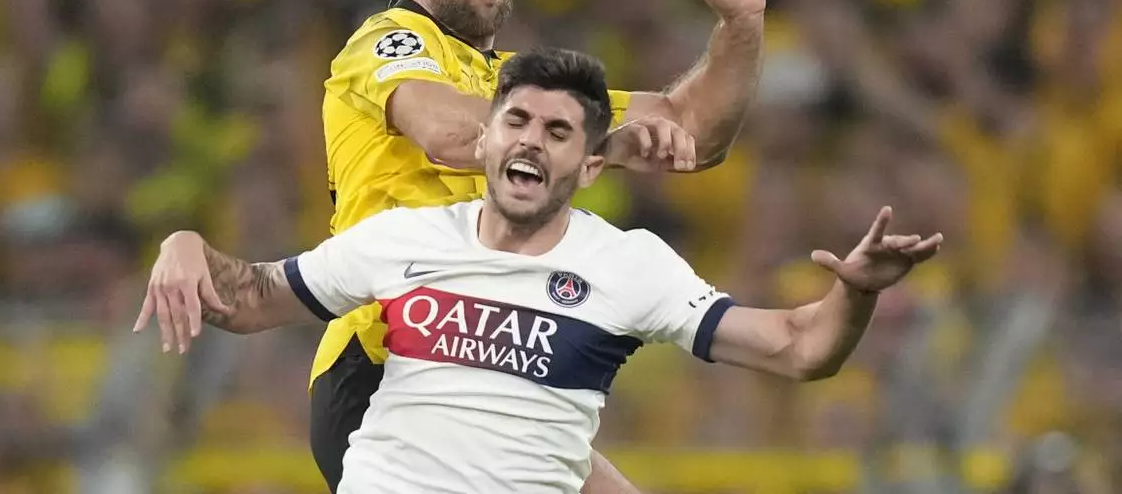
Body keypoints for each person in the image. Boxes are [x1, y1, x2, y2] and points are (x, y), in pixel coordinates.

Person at [148, 0, 768, 493]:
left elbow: (693, 132)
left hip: (495, 361)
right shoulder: (388, 42)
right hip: (390, 362)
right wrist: (594, 140)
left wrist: (740, 24)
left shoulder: (521, 89)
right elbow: (446, 133)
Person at [136, 47, 943, 494]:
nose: (530, 139)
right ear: (484, 140)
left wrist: (855, 293)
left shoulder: (626, 267)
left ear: (591, 165)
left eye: (558, 132)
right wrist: (184, 246)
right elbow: (252, 298)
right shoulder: (402, 240)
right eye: (515, 119)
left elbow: (801, 348)